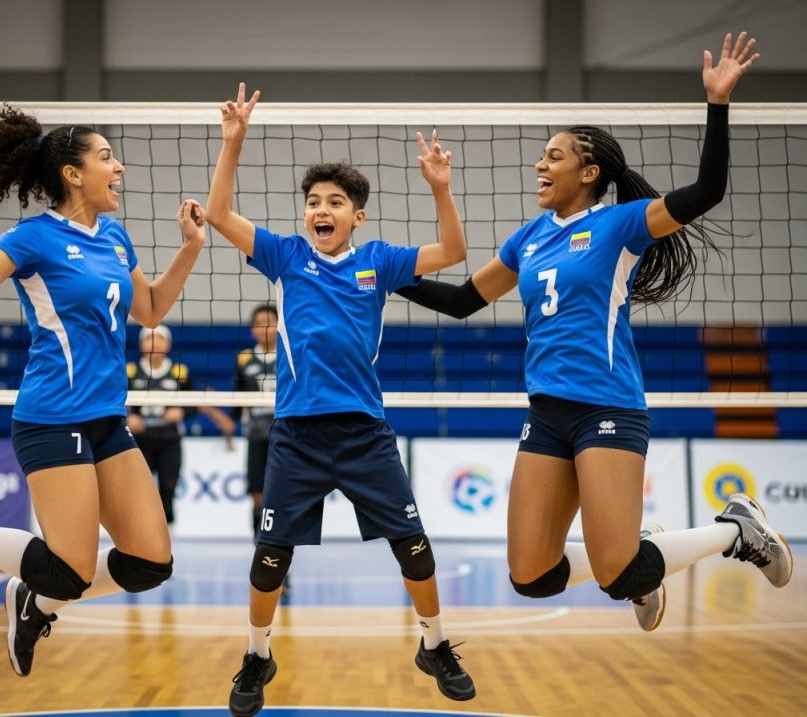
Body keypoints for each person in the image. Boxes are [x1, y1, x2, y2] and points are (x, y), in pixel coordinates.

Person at [397, 32, 792, 633]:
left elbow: (707, 192)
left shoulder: (620, 225)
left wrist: (717, 103)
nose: (540, 164)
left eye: (553, 156)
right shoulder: (527, 238)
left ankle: (734, 529)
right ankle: (643, 551)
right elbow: (459, 301)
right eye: (543, 155)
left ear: (589, 171)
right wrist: (379, 274)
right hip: (547, 411)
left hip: (606, 404)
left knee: (619, 572)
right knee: (531, 575)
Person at [0, 104, 206, 678]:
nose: (118, 168)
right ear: (73, 174)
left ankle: (32, 603)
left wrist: (191, 247)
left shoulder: (116, 237)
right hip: (52, 419)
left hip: (106, 421)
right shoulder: (35, 239)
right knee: (68, 568)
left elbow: (149, 310)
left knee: (150, 562)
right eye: (106, 158)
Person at [205, 83, 474, 717]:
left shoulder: (379, 262)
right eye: (313, 202)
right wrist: (232, 144)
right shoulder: (286, 256)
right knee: (270, 556)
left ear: (357, 216)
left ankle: (434, 646)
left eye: (335, 203)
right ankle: (256, 655)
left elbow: (455, 253)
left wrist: (440, 186)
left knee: (413, 544)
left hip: (364, 432)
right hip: (296, 433)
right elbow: (219, 215)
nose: (320, 210)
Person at [127, 323, 236, 527]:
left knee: (169, 486)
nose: (153, 343)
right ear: (141, 344)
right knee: (140, 491)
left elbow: (193, 405)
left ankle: (167, 535)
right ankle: (139, 532)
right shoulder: (131, 371)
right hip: (139, 439)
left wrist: (181, 411)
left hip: (169, 437)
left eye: (158, 338)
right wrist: (128, 417)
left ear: (167, 344)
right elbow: (115, 401)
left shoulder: (179, 371)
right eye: (148, 338)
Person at [233, 304, 278, 534]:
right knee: (257, 490)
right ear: (252, 329)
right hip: (256, 433)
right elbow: (238, 397)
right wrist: (231, 428)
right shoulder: (244, 359)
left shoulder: (288, 354)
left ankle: (281, 543)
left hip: (285, 432)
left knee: (282, 491)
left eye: (269, 322)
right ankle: (258, 540)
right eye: (259, 324)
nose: (264, 328)